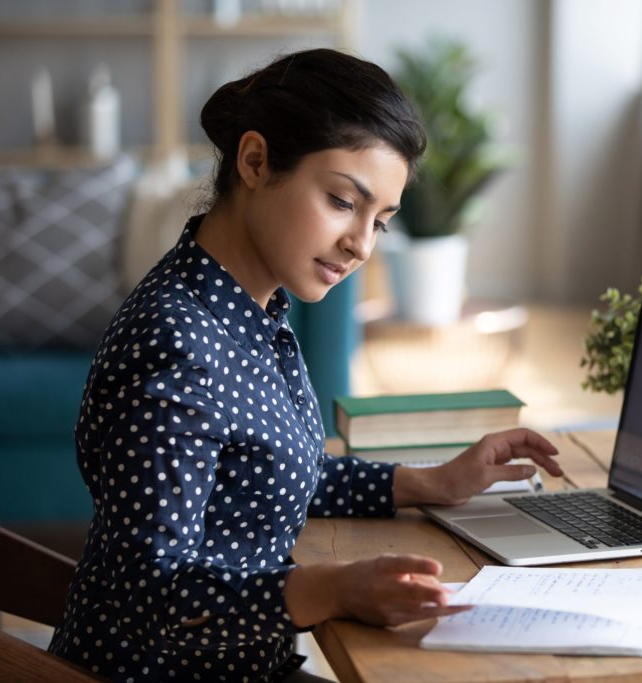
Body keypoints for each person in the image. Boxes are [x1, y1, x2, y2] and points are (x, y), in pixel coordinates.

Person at [47, 48, 563, 682]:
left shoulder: (252, 308)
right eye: (344, 201)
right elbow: (147, 597)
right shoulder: (175, 342)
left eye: (381, 221)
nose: (362, 244)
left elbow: (260, 481)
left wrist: (431, 482)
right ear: (256, 161)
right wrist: (333, 589)